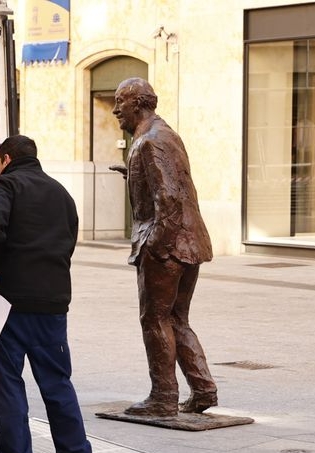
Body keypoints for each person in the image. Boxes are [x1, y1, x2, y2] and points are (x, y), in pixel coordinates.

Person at [0, 135, 92, 453]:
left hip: (9, 304)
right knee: (57, 382)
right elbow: (68, 241)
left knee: (8, 382)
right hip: (53, 304)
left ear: (5, 159)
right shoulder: (61, 193)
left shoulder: (5, 186)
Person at [111, 77, 218, 418]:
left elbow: (169, 197)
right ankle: (203, 389)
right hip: (188, 241)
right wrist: (133, 176)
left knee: (155, 318)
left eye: (120, 102)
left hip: (167, 243)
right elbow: (173, 183)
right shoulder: (164, 134)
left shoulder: (150, 141)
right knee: (176, 318)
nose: (115, 110)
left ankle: (163, 396)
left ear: (138, 103)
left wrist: (155, 245)